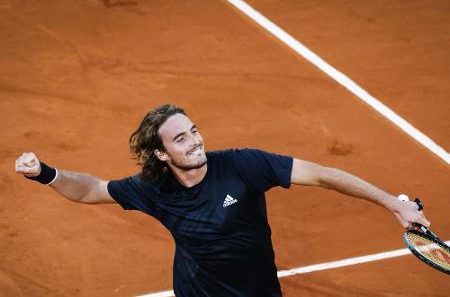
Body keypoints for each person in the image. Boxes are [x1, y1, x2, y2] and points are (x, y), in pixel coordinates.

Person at [15, 104, 430, 297]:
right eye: (180, 138)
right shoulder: (152, 187)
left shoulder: (243, 165)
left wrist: (392, 204)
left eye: (194, 130)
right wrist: (45, 173)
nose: (195, 140)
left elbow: (323, 174)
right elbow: (92, 189)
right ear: (161, 154)